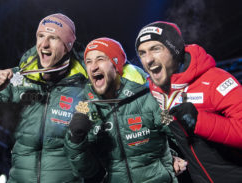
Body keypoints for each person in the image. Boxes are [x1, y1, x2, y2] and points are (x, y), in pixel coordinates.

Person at [0, 13, 88, 183]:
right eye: (40, 36)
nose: (44, 44)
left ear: (68, 45)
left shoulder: (85, 86)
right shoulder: (17, 78)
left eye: (53, 38)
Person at [135, 21, 242, 183]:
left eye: (155, 49)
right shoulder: (153, 91)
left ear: (175, 50)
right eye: (142, 53)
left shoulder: (216, 80)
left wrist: (199, 121)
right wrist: (168, 155)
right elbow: (157, 133)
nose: (148, 59)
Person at [64, 37, 178, 183]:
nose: (93, 67)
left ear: (116, 64)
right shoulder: (85, 107)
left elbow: (178, 133)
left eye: (100, 59)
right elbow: (86, 170)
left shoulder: (147, 97)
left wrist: (181, 120)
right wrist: (76, 139)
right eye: (89, 62)